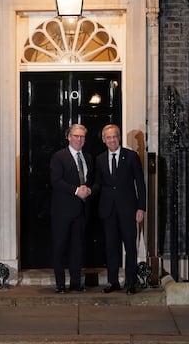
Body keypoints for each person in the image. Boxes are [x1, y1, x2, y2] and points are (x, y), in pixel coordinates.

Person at [94, 124, 146, 295]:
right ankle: (113, 281)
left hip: (128, 209)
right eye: (108, 137)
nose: (112, 140)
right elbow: (98, 184)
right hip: (108, 211)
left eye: (114, 136)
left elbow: (140, 183)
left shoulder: (131, 157)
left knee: (130, 246)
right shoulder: (100, 159)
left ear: (119, 138)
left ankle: (131, 282)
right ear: (103, 140)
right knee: (111, 247)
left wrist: (141, 207)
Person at [49, 124, 94, 293]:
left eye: (82, 137)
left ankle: (76, 283)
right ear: (69, 137)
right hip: (62, 211)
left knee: (78, 248)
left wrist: (88, 190)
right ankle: (60, 284)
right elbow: (56, 181)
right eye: (76, 136)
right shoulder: (59, 157)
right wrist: (76, 191)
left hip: (81, 211)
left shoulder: (88, 157)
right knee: (60, 247)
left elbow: (91, 181)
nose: (79, 139)